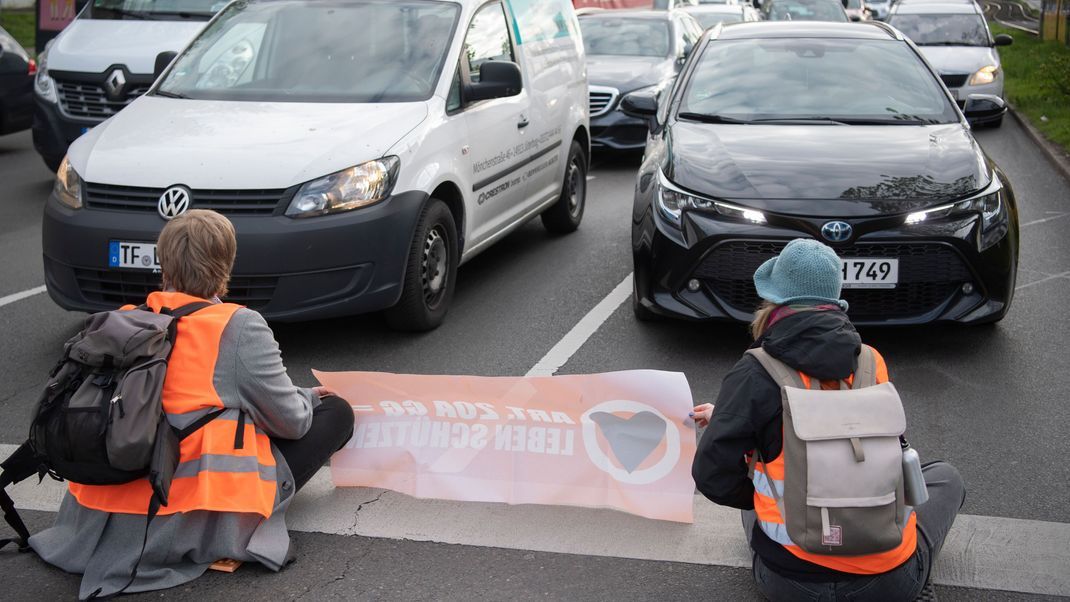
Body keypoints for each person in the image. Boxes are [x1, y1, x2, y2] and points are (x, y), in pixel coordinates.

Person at [29, 209, 355, 599]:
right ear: (226, 263)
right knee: (336, 413)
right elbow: (291, 423)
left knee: (217, 410)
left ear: (162, 262)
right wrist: (305, 396)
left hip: (90, 516)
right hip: (179, 516)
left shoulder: (125, 319)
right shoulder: (237, 325)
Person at [691, 238, 966, 601]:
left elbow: (712, 474)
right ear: (835, 298)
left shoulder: (754, 372)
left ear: (774, 299)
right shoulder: (871, 361)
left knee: (761, 493)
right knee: (946, 478)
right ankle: (919, 585)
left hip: (791, 583)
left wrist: (736, 429)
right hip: (886, 582)